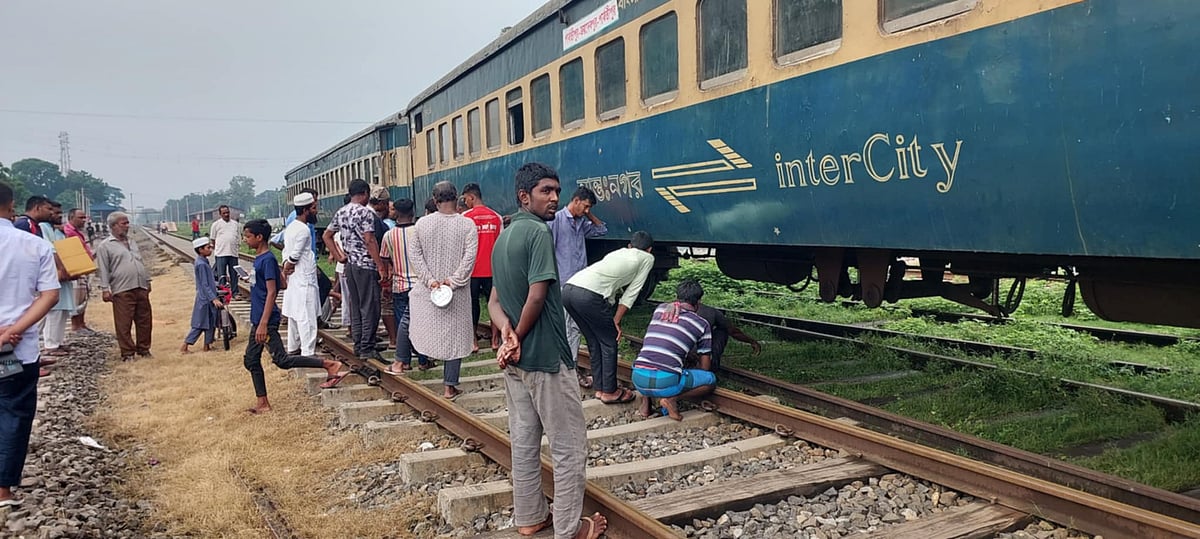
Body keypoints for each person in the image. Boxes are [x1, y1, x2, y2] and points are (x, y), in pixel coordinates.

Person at [488, 163, 607, 539]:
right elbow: (538, 295)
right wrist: (519, 333)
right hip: (547, 360)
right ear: (525, 196)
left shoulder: (504, 237)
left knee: (524, 442)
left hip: (517, 364)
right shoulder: (539, 232)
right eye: (546, 191)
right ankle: (569, 530)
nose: (554, 197)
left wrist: (507, 333)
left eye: (557, 190)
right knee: (569, 447)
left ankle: (529, 517)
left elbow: (493, 301)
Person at [242, 219, 347, 414]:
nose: (245, 240)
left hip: (265, 320)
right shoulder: (262, 259)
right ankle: (263, 402)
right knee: (251, 359)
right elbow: (282, 284)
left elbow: (273, 292)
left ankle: (329, 364)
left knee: (280, 359)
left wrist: (264, 323)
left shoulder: (267, 259)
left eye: (247, 236)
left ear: (259, 237)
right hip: (259, 318)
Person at [0, 181, 61, 507]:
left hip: (11, 344)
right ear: (11, 207)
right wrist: (13, 331)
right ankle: (3, 489)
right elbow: (49, 294)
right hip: (13, 351)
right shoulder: (32, 244)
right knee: (11, 410)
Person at [562, 231, 655, 404]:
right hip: (588, 295)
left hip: (568, 290)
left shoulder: (618, 252)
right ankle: (610, 391)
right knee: (609, 341)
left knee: (594, 340)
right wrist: (616, 320)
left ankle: (600, 387)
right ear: (649, 249)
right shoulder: (647, 258)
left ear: (630, 246)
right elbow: (632, 292)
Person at [408, 181, 477, 399]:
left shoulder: (421, 225)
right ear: (457, 198)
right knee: (455, 337)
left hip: (431, 290)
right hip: (456, 291)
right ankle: (450, 386)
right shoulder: (467, 225)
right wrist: (454, 281)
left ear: (435, 200)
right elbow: (469, 258)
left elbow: (415, 255)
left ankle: (421, 361)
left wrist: (431, 281)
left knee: (432, 331)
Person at [631, 280, 717, 421]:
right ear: (698, 302)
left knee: (651, 359)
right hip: (666, 382)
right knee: (710, 380)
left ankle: (645, 407)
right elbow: (705, 367)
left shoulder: (660, 310)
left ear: (677, 297)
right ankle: (672, 399)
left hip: (638, 378)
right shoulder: (702, 324)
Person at [549, 186, 607, 387]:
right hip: (565, 282)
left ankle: (568, 366)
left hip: (581, 282)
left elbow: (601, 230)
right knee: (571, 326)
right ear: (576, 200)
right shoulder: (556, 220)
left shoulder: (582, 222)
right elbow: (550, 250)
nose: (586, 210)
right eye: (586, 206)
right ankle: (569, 368)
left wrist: (589, 214)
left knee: (574, 326)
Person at [323, 180, 387, 361]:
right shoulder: (365, 212)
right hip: (365, 265)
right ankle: (367, 346)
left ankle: (359, 343)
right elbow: (369, 240)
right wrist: (380, 265)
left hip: (349, 265)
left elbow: (326, 235)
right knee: (370, 306)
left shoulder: (341, 212)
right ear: (365, 193)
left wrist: (339, 256)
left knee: (356, 306)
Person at [379, 199, 430, 374]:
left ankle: (405, 361)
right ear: (413, 211)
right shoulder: (419, 232)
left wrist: (386, 281)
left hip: (399, 285)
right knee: (421, 324)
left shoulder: (389, 235)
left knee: (403, 324)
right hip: (420, 285)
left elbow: (385, 259)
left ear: (396, 214)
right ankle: (423, 360)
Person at [95, 211, 153, 360]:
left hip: (140, 286)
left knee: (145, 320)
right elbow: (103, 268)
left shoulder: (132, 242)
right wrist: (105, 289)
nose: (127, 226)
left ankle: (144, 349)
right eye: (124, 223)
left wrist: (147, 280)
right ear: (114, 226)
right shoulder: (105, 246)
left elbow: (140, 261)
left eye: (127, 223)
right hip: (122, 288)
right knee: (124, 322)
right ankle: (127, 352)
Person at [461, 182, 502, 354]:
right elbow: (501, 245)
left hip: (472, 271)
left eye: (465, 199)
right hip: (492, 270)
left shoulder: (465, 218)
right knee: (494, 304)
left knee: (472, 305)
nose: (465, 203)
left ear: (471, 197)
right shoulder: (496, 217)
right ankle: (495, 340)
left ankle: (473, 342)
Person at [281, 194, 320, 357]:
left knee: (295, 314)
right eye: (313, 208)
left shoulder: (291, 227)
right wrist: (287, 266)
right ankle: (307, 352)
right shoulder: (303, 230)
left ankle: (293, 347)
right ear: (305, 210)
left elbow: (285, 251)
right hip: (303, 277)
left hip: (296, 278)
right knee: (307, 316)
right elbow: (295, 255)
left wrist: (285, 265)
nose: (316, 211)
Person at [38, 202, 77, 360]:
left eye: (61, 213)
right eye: (55, 213)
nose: (59, 216)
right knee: (53, 311)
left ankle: (59, 341)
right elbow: (50, 249)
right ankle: (50, 345)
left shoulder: (60, 232)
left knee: (63, 310)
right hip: (52, 274)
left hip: (64, 276)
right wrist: (60, 269)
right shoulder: (43, 227)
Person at [695, 298, 762, 372]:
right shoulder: (711, 312)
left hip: (683, 357)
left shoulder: (680, 311)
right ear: (700, 298)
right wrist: (752, 341)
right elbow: (733, 331)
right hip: (699, 358)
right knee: (722, 330)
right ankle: (712, 365)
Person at [181, 237, 221, 353]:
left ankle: (207, 345)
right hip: (205, 298)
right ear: (200, 250)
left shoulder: (204, 261)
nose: (210, 250)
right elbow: (204, 284)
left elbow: (209, 281)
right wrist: (213, 298)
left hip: (207, 297)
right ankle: (185, 345)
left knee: (210, 322)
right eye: (208, 248)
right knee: (200, 324)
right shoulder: (201, 264)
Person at [369, 187, 397, 349]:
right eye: (388, 205)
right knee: (387, 303)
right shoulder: (381, 224)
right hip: (380, 268)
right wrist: (385, 268)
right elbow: (382, 249)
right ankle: (394, 339)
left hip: (367, 267)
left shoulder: (367, 217)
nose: (389, 209)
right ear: (382, 204)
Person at [63, 208, 96, 335]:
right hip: (77, 270)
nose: (84, 220)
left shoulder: (76, 232)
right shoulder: (68, 232)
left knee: (83, 297)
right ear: (71, 218)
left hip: (84, 269)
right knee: (77, 298)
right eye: (81, 218)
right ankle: (76, 325)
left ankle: (82, 323)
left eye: (84, 218)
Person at [210, 205, 242, 301]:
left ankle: (235, 293)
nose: (226, 214)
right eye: (224, 213)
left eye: (227, 212)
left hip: (233, 253)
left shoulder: (235, 224)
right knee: (222, 275)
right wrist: (216, 250)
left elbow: (238, 237)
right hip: (221, 253)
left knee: (234, 274)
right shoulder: (216, 225)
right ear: (220, 214)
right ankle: (223, 293)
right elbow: (213, 239)